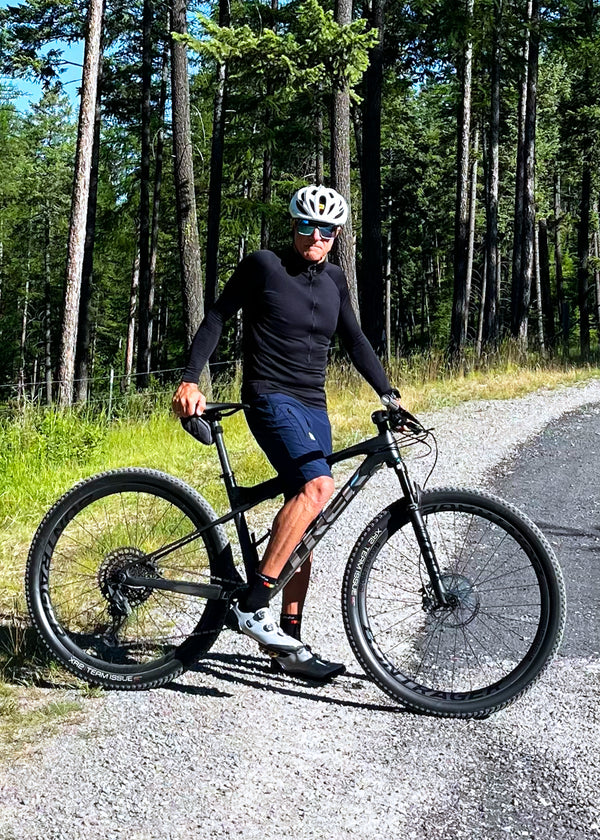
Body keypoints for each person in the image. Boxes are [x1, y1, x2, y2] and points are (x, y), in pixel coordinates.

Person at [173, 184, 399, 682]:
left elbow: (355, 339)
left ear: (337, 235)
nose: (316, 236)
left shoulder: (335, 279)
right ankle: (253, 606)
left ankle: (287, 642)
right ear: (294, 226)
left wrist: (389, 394)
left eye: (326, 230)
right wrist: (190, 379)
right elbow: (217, 316)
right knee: (318, 486)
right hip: (269, 396)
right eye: (306, 226)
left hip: (314, 405)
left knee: (307, 517)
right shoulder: (265, 266)